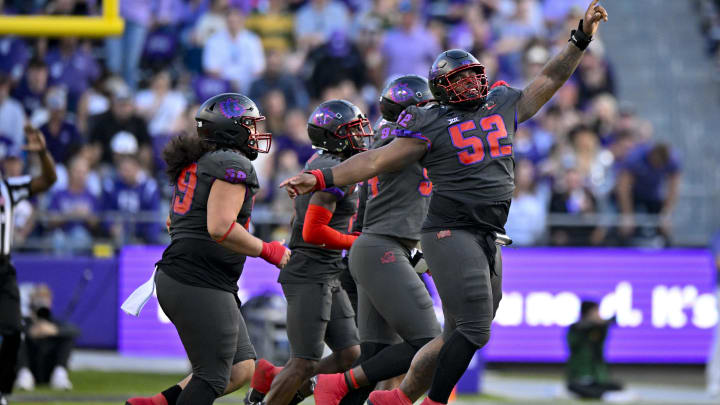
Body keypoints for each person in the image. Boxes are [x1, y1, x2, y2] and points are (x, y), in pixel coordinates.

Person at [281, 3, 608, 404]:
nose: (470, 84)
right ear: (440, 88)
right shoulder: (428, 122)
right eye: (460, 79)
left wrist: (580, 38)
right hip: (450, 228)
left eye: (474, 75)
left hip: (489, 231)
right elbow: (376, 159)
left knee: (463, 330)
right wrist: (320, 176)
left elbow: (551, 77)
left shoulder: (502, 103)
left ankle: (394, 398)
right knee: (470, 329)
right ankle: (418, 398)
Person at [125, 93, 289, 405]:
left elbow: (173, 223)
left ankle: (156, 403)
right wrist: (271, 251)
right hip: (198, 281)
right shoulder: (231, 163)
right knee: (212, 374)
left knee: (240, 369)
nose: (255, 133)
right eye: (249, 126)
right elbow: (220, 227)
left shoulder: (202, 163)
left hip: (192, 276)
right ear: (232, 129)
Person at [313, 75, 441, 405]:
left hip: (375, 246)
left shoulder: (388, 136)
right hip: (385, 247)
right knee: (430, 341)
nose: (433, 110)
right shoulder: (407, 137)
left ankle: (345, 389)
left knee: (374, 351)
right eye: (426, 105)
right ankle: (338, 384)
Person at [247, 100, 373, 405]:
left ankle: (276, 382)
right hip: (310, 271)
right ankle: (274, 393)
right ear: (334, 136)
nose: (360, 136)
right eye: (352, 131)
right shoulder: (331, 168)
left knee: (349, 354)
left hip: (327, 270)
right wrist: (356, 242)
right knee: (304, 360)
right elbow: (313, 231)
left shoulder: (326, 162)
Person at [0, 126, 58, 405]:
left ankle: (2, 390)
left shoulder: (8, 188)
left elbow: (49, 179)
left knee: (12, 329)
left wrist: (44, 154)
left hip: (2, 268)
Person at [14, 284, 78, 391]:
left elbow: (75, 331)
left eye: (44, 300)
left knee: (67, 337)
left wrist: (55, 331)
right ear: (31, 302)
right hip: (30, 366)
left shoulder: (55, 323)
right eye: (38, 300)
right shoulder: (24, 322)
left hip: (49, 368)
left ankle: (59, 374)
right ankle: (24, 375)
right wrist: (30, 331)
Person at [565, 301, 623, 399]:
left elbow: (611, 322)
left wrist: (599, 324)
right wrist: (590, 326)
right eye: (595, 311)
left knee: (616, 387)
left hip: (597, 378)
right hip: (579, 377)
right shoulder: (576, 328)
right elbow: (574, 343)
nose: (598, 314)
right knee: (576, 387)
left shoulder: (599, 328)